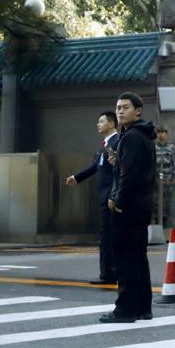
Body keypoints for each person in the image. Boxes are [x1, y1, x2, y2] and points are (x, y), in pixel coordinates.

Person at [100, 92, 157, 324]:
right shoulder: (142, 135)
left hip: (128, 206)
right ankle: (143, 307)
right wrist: (118, 162)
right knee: (138, 257)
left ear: (138, 110)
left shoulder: (132, 137)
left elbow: (129, 174)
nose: (120, 111)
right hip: (141, 204)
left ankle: (125, 309)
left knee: (124, 259)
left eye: (125, 107)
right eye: (118, 108)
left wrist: (118, 199)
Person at [65, 111, 119, 284]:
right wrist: (77, 177)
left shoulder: (117, 142)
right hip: (106, 196)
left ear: (112, 124)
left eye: (101, 121)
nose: (98, 124)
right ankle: (110, 272)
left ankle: (108, 274)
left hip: (111, 196)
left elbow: (119, 171)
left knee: (107, 237)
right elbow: (96, 166)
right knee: (108, 236)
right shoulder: (106, 144)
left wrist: (114, 195)